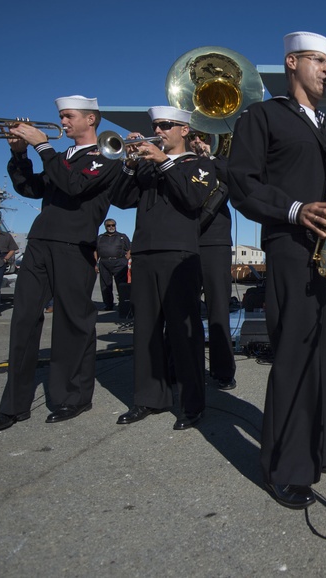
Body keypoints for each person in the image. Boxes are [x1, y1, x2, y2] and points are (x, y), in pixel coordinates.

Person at [228, 31, 326, 510]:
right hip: (293, 248)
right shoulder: (262, 115)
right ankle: (285, 465)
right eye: (317, 60)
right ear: (292, 62)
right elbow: (240, 183)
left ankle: (320, 448)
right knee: (296, 354)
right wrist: (295, 209)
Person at [0, 95, 122, 433]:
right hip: (40, 243)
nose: (62, 122)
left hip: (74, 246)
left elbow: (74, 186)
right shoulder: (60, 158)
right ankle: (14, 406)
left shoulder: (106, 155)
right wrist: (19, 153)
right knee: (23, 322)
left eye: (69, 116)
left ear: (91, 119)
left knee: (73, 323)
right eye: (61, 116)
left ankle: (73, 397)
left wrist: (43, 146)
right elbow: (30, 188)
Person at [111, 106, 214, 431]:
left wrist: (163, 161)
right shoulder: (147, 167)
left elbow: (193, 198)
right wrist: (129, 163)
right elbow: (121, 198)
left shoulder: (199, 165)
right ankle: (148, 398)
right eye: (156, 125)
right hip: (144, 253)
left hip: (179, 255)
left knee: (184, 333)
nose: (159, 130)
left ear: (184, 130)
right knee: (146, 330)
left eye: (166, 125)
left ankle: (192, 403)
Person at [189, 132, 236, 391]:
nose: (197, 141)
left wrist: (210, 156)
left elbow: (235, 180)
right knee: (184, 309)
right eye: (193, 136)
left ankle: (223, 370)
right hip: (184, 238)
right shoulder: (179, 160)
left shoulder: (220, 162)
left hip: (214, 241)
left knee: (218, 307)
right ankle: (183, 366)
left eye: (203, 136)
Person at [94, 218, 131, 314]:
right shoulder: (100, 238)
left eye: (113, 225)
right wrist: (95, 264)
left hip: (119, 263)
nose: (111, 227)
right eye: (109, 225)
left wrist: (126, 259)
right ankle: (108, 304)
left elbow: (130, 249)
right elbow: (96, 251)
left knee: (122, 286)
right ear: (105, 227)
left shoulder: (122, 237)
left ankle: (123, 304)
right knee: (105, 285)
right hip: (104, 263)